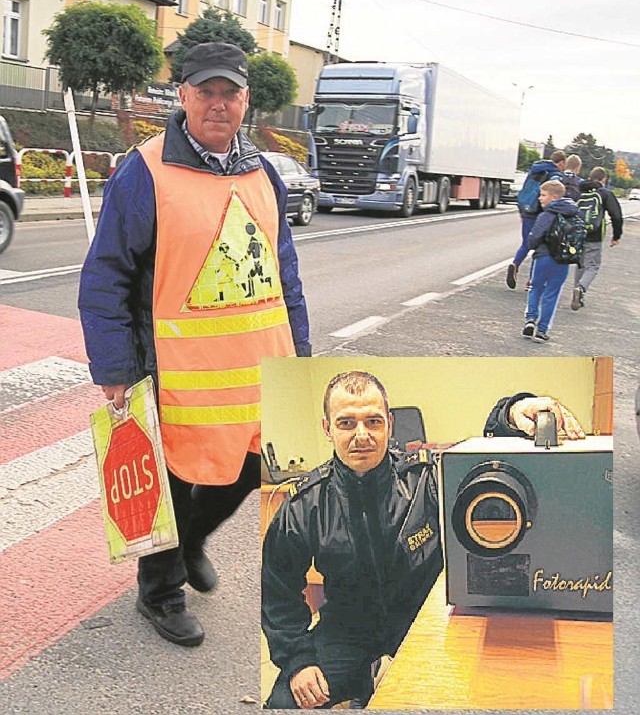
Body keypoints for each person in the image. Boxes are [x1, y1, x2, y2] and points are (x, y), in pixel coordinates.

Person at [78, 41, 311, 647]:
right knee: (174, 479)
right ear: (181, 96)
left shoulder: (262, 173)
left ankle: (190, 543)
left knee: (256, 464)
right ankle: (159, 592)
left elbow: (283, 272)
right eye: (204, 91)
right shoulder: (146, 169)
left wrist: (302, 360)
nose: (217, 103)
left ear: (246, 100)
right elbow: (107, 274)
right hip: (173, 367)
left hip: (257, 364)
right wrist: (115, 366)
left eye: (229, 92)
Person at [262, 371, 584, 709]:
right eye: (346, 423)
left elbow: (483, 462)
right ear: (327, 429)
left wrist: (514, 409)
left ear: (389, 424)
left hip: (422, 625)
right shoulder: (305, 504)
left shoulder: (428, 480)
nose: (361, 435)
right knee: (283, 701)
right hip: (347, 630)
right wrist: (298, 659)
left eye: (373, 421)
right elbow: (277, 591)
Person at [521, 180, 578, 343]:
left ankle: (530, 319)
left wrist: (533, 243)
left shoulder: (546, 215)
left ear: (554, 197)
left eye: (543, 195)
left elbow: (533, 240)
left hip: (543, 257)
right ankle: (542, 330)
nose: (540, 198)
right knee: (552, 294)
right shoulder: (573, 213)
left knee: (535, 288)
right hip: (563, 260)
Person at [506, 150, 566, 290]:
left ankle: (515, 264)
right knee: (540, 247)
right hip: (541, 213)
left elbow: (525, 190)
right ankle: (531, 281)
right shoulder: (555, 175)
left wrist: (522, 212)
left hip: (527, 210)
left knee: (526, 243)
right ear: (561, 163)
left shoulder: (535, 169)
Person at [571, 166, 623, 311]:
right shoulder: (605, 194)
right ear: (603, 179)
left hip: (578, 233)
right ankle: (580, 289)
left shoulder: (580, 190)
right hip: (594, 235)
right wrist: (616, 236)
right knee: (593, 266)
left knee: (580, 264)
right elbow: (616, 216)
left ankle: (577, 292)